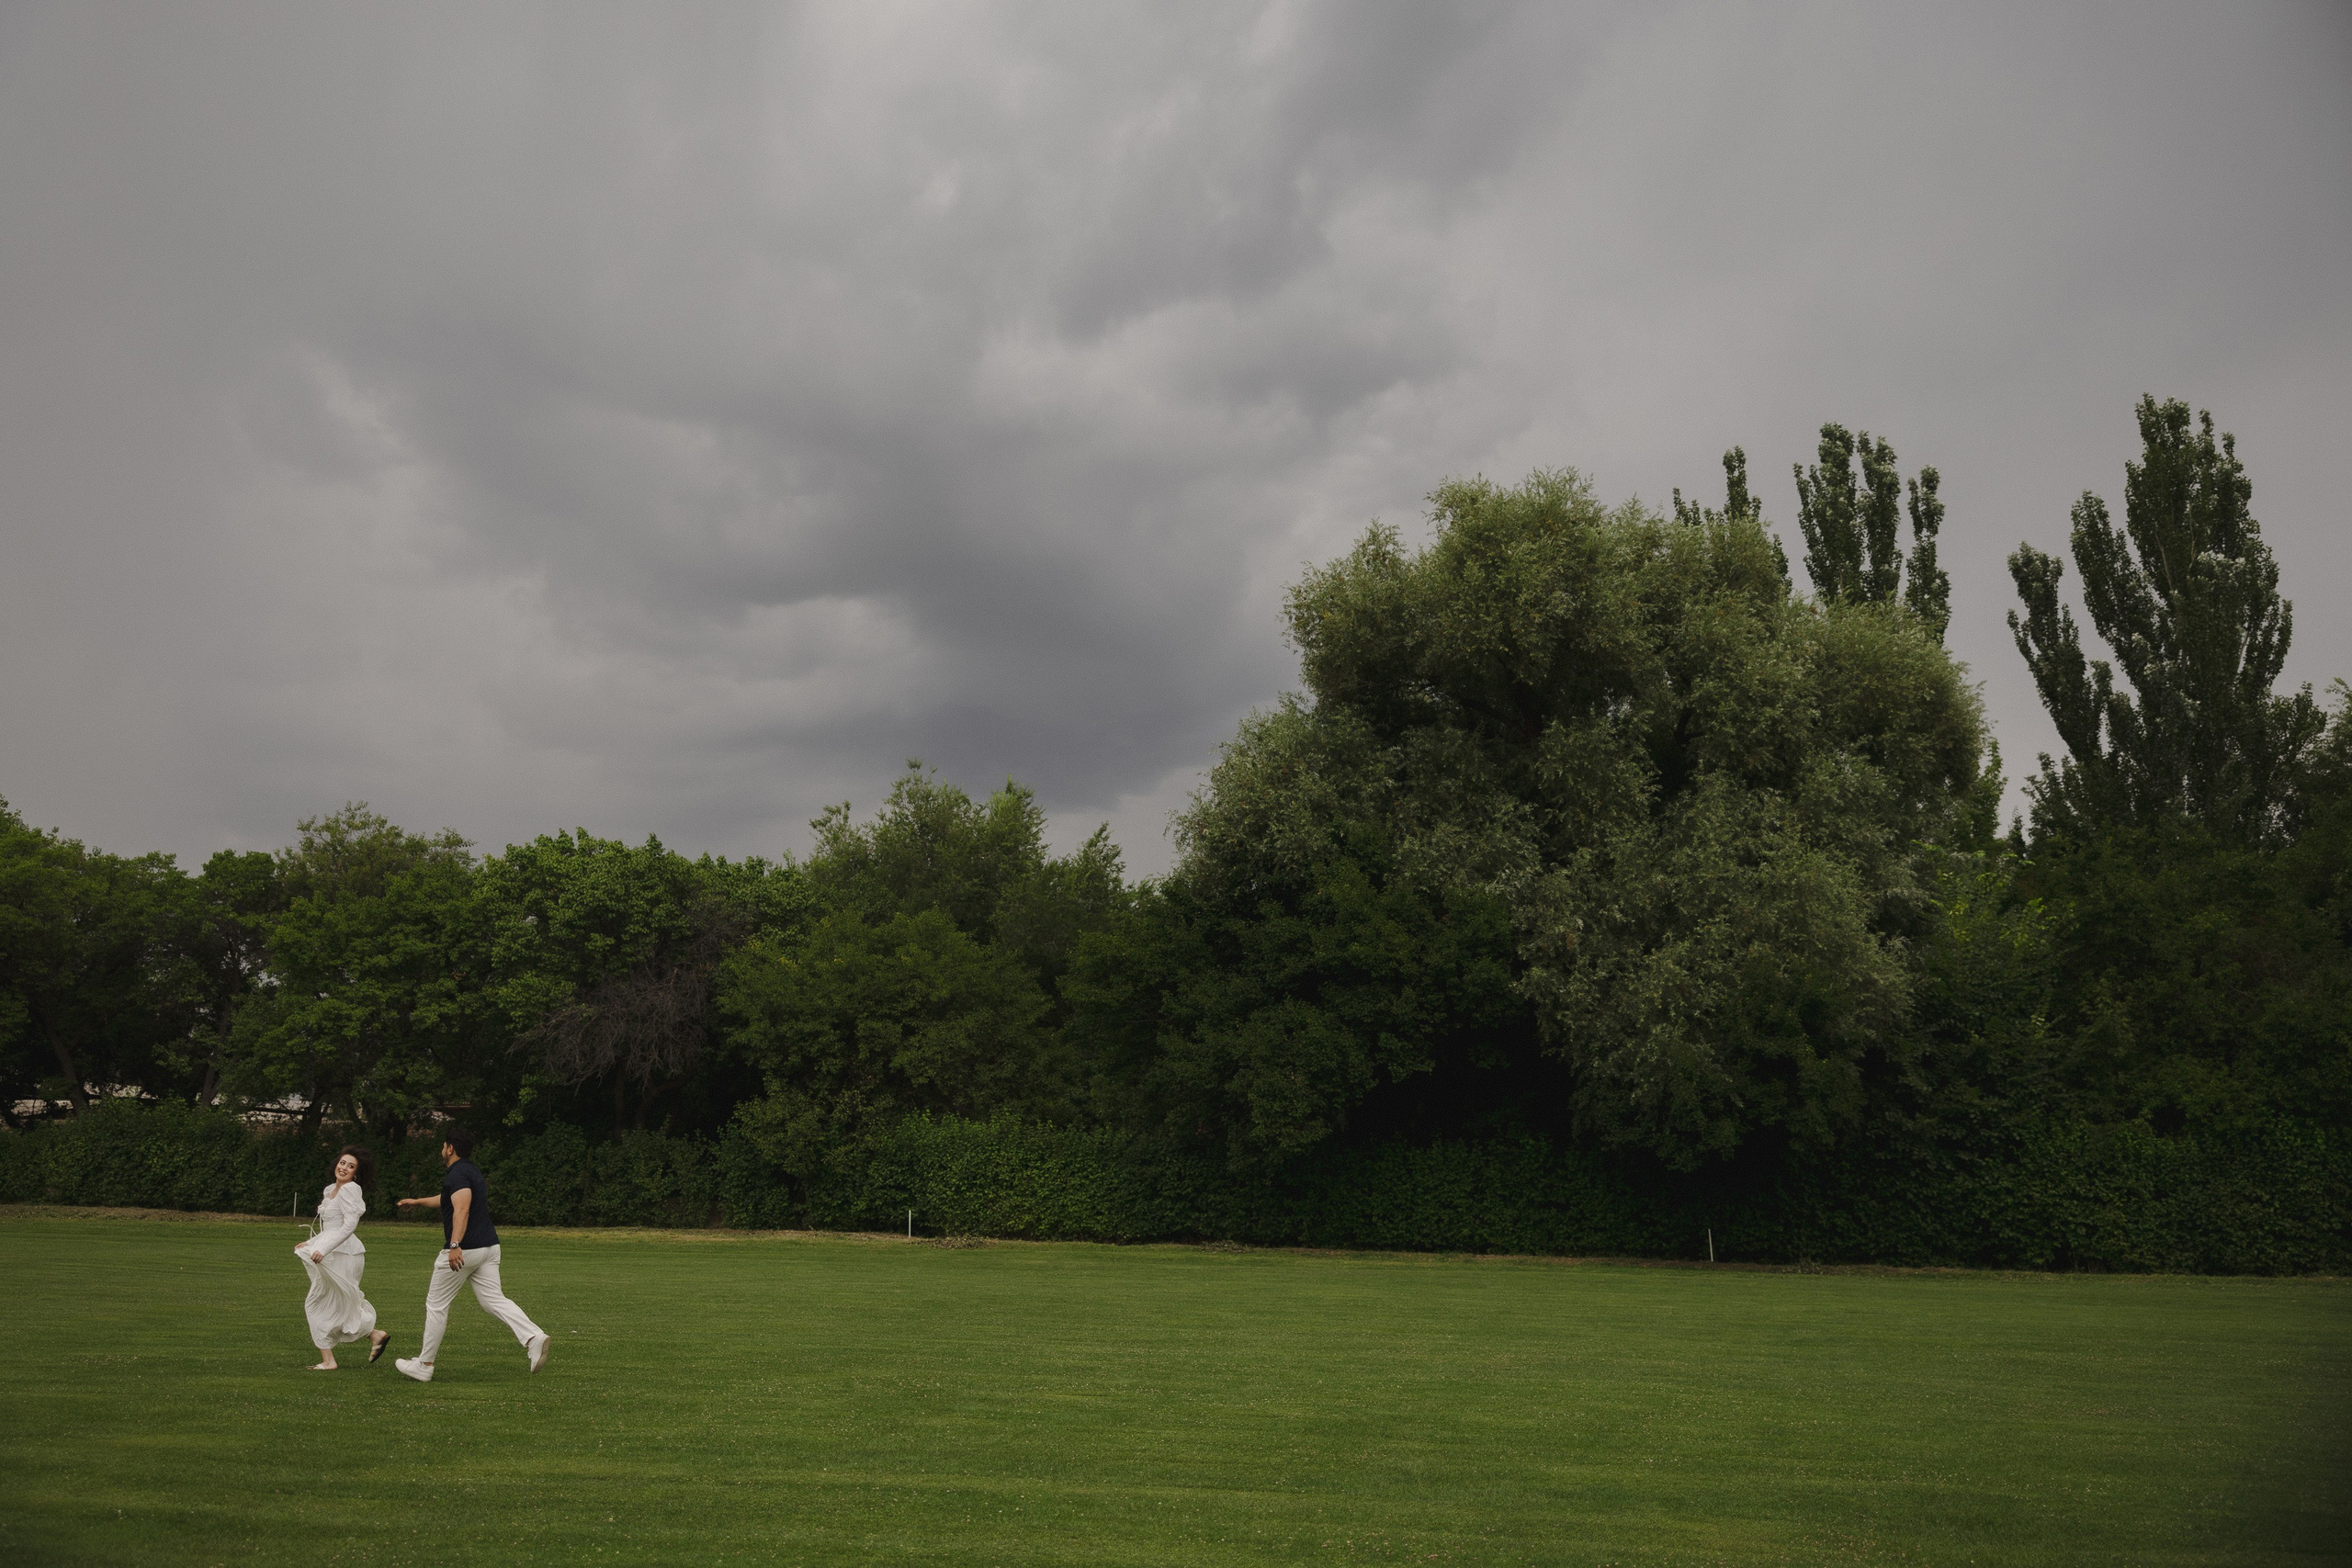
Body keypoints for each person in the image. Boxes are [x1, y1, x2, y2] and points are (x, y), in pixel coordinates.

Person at [391, 1127, 551, 1382]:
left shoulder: (458, 1175)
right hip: (488, 1247)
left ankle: (424, 1365)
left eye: (443, 1146)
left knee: (436, 1305)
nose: (442, 1150)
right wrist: (418, 1201)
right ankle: (533, 1337)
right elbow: (449, 1200)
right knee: (493, 1300)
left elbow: (461, 1209)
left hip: (466, 1250)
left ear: (450, 1148)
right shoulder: (469, 1171)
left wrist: (455, 1245)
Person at [296, 1146, 391, 1371]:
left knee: (321, 1302)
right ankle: (374, 1335)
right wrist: (310, 1243)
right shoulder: (331, 1189)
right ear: (336, 1164)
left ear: (355, 1173)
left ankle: (329, 1361)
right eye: (342, 1163)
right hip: (333, 1251)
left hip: (344, 1254)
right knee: (335, 1303)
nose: (344, 1168)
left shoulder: (350, 1190)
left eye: (351, 1166)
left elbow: (348, 1225)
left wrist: (325, 1248)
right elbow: (331, 1227)